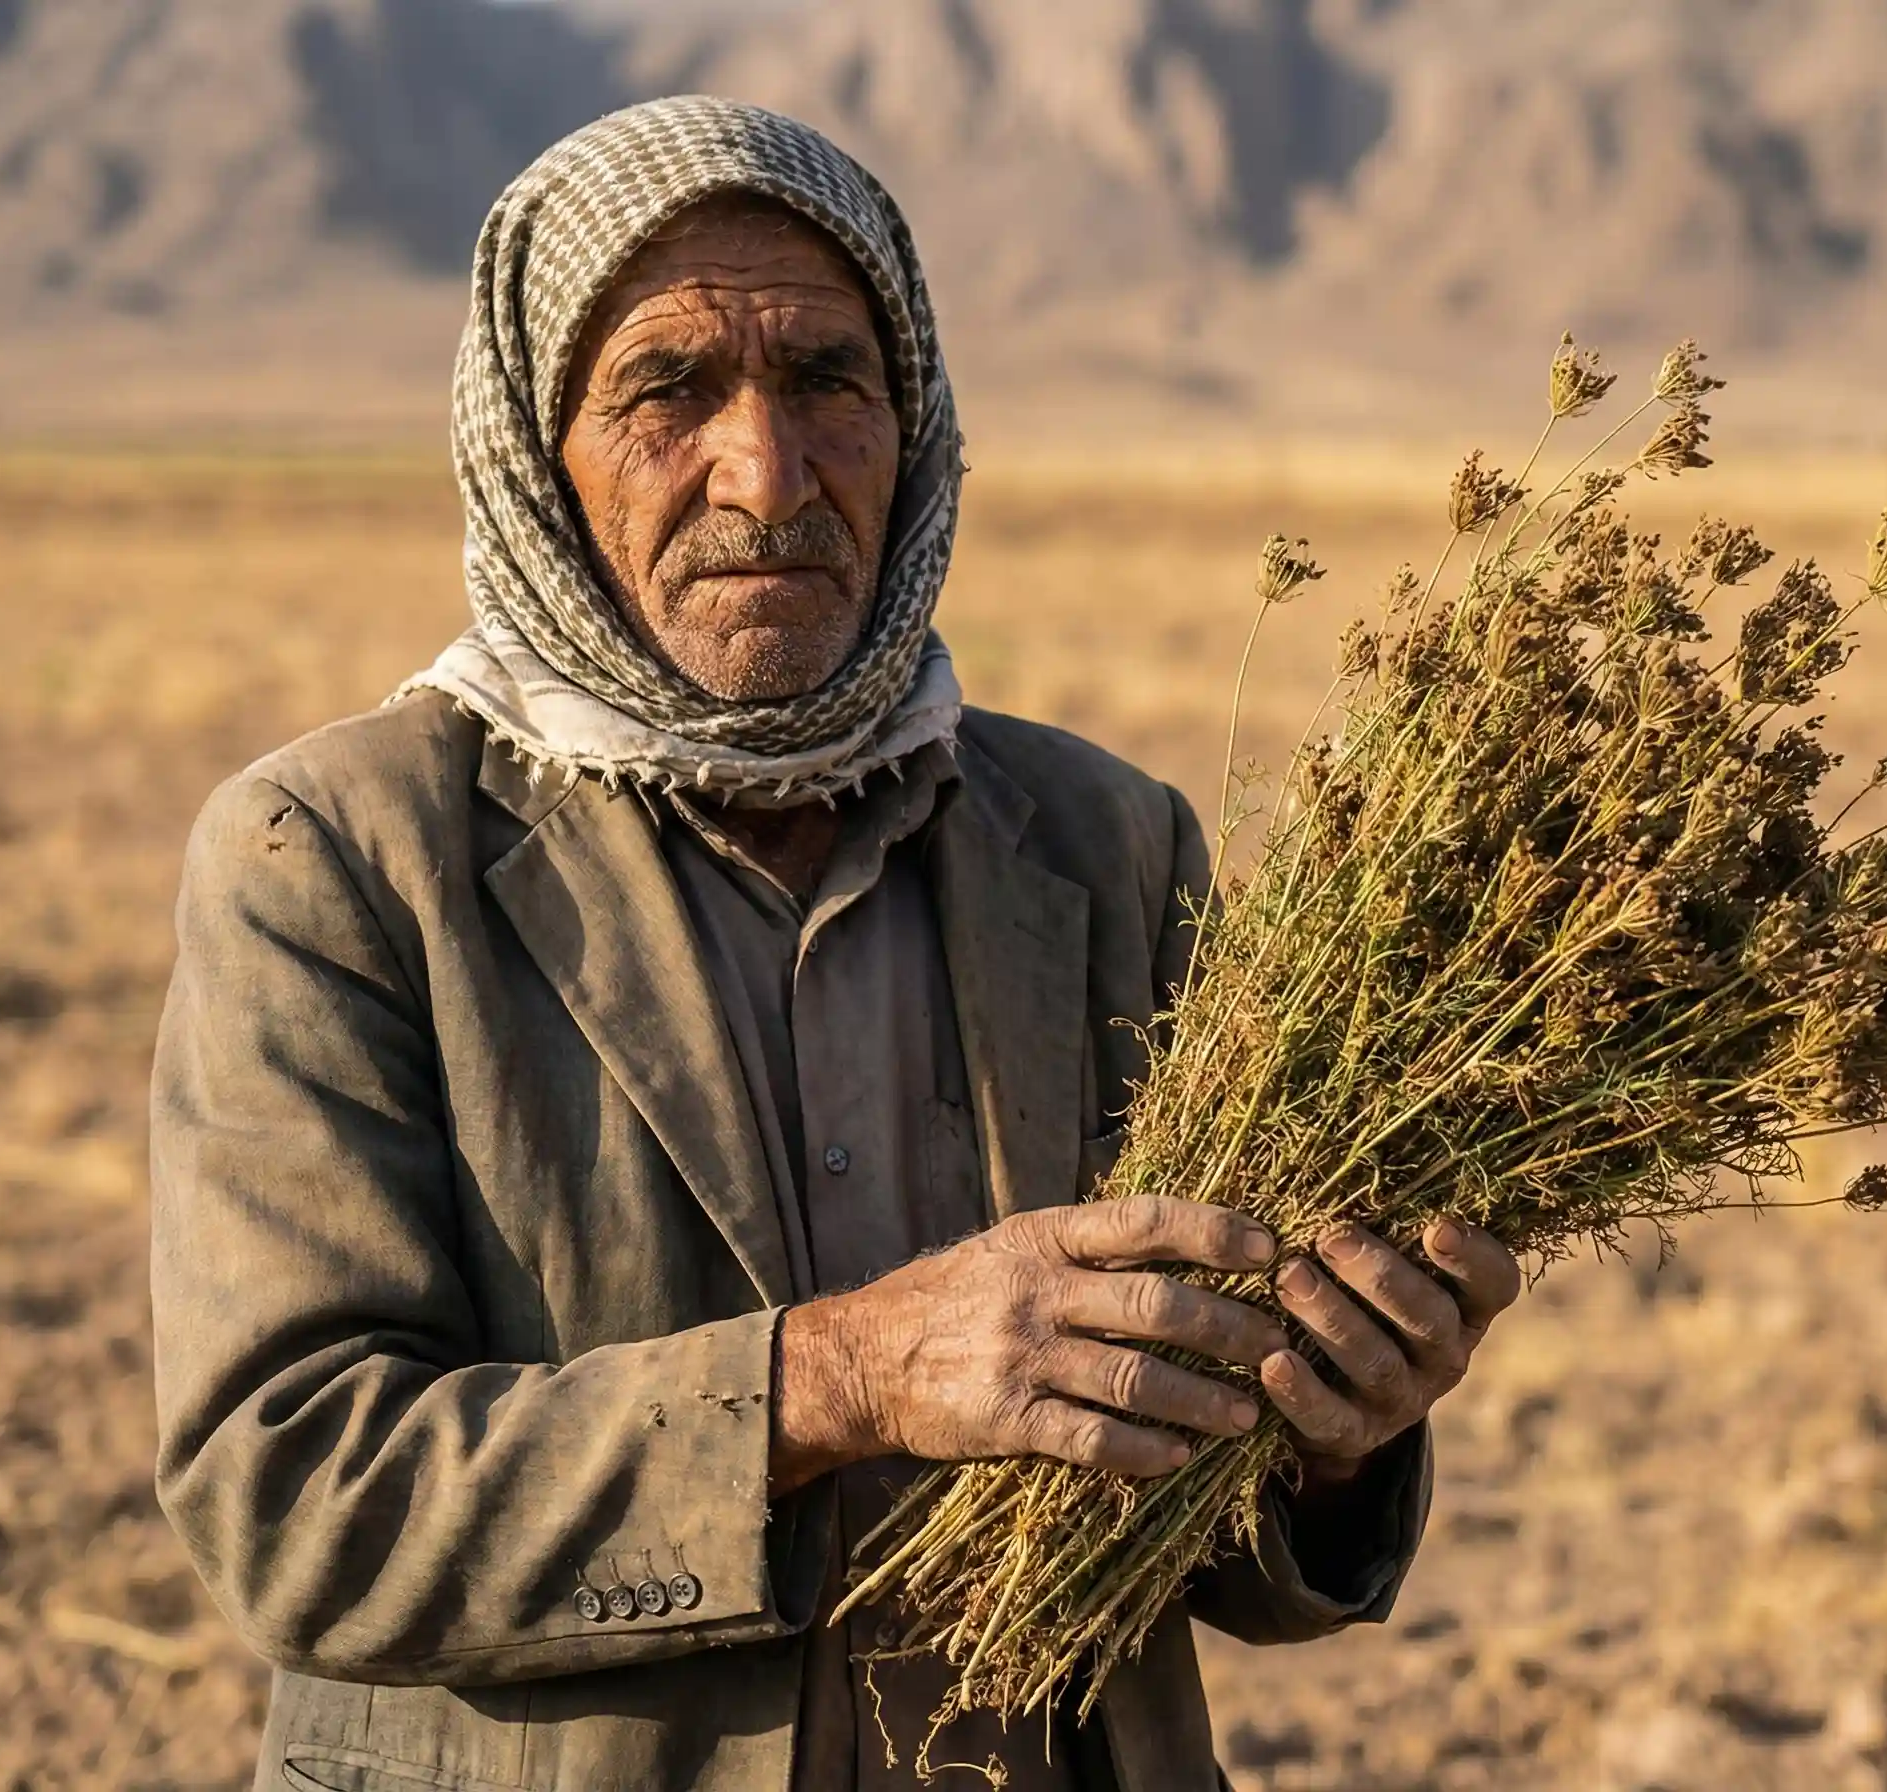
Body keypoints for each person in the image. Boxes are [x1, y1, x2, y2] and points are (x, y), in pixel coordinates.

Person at [150, 98, 1524, 1792]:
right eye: (667, 389)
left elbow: (1213, 1531)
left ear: (915, 425)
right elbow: (294, 1505)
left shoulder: (1104, 843)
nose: (766, 474)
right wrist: (849, 1376)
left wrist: (1333, 1431)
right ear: (531, 449)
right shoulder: (342, 858)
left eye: (827, 383)